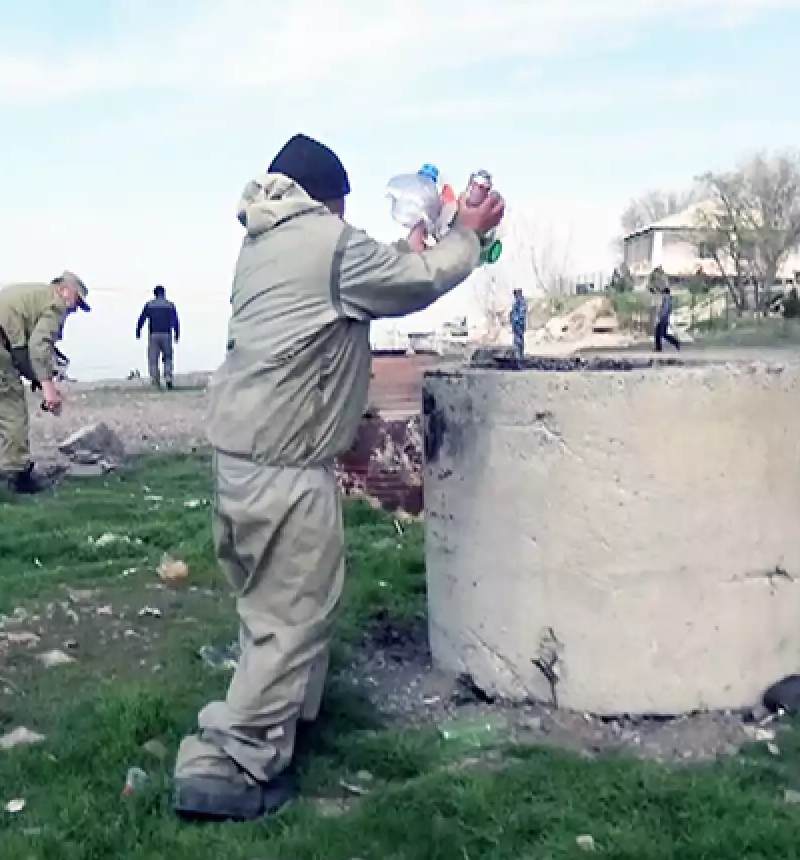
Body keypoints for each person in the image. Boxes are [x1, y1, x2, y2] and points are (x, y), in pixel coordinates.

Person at [171, 133, 505, 821]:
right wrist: (466, 234)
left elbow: (367, 279)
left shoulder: (266, 241)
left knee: (270, 607)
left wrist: (413, 244)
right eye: (344, 210)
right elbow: (414, 283)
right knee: (293, 616)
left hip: (242, 462)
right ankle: (231, 765)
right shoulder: (327, 241)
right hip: (285, 473)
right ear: (330, 200)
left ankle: (287, 721)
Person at [0, 271, 90, 494]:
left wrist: (37, 378)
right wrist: (50, 391)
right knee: (12, 407)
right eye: (77, 301)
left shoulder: (29, 293)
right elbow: (39, 347)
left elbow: (19, 350)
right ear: (64, 289)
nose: (74, 309)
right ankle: (19, 474)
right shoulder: (55, 303)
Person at [136, 285, 181, 390]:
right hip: (166, 334)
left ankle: (155, 380)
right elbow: (175, 320)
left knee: (153, 358)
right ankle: (168, 377)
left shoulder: (149, 305)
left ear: (155, 294)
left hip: (154, 334)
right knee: (168, 357)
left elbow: (142, 318)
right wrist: (177, 333)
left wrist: (138, 331)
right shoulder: (170, 305)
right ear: (164, 293)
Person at [654, 287, 681, 352]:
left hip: (663, 319)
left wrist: (660, 317)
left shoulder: (667, 299)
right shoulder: (668, 299)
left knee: (659, 333)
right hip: (665, 319)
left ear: (666, 293)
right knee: (663, 334)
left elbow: (665, 310)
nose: (663, 294)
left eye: (663, 293)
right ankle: (675, 342)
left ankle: (659, 347)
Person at [510, 288, 528, 357]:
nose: (515, 296)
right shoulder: (517, 302)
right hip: (516, 324)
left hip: (519, 324)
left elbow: (521, 314)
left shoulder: (521, 302)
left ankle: (519, 355)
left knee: (519, 340)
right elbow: (513, 313)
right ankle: (518, 355)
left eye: (516, 294)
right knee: (517, 340)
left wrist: (515, 319)